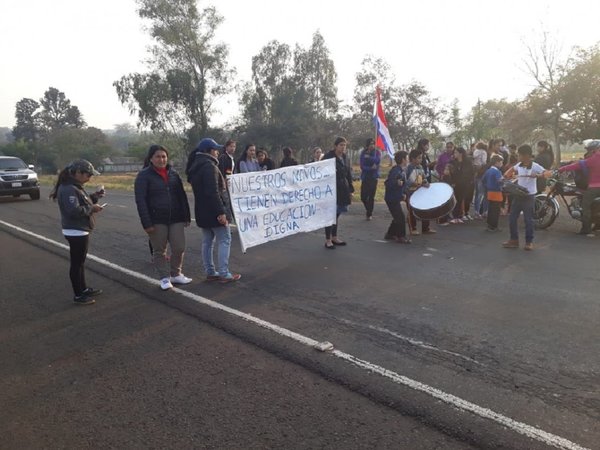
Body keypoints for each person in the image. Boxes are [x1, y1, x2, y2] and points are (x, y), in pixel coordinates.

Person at [134, 145, 192, 291]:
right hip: (156, 219)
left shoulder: (173, 174)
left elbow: (181, 196)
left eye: (164, 156)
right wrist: (147, 223)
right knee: (159, 250)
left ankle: (176, 274)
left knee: (179, 247)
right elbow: (141, 201)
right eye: (158, 157)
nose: (161, 159)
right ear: (151, 159)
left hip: (176, 218)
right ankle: (164, 278)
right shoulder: (144, 176)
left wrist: (186, 215)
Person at [49, 159, 105, 305]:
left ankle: (83, 289)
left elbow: (82, 202)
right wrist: (92, 209)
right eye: (88, 174)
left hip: (79, 230)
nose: (89, 178)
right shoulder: (68, 189)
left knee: (80, 262)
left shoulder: (75, 186)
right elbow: (74, 211)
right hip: (76, 230)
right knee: (76, 263)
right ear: (78, 173)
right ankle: (78, 294)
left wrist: (95, 197)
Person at [187, 138, 241, 283]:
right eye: (215, 149)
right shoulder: (209, 166)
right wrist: (221, 212)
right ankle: (224, 273)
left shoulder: (196, 166)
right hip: (214, 211)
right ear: (209, 151)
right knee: (225, 239)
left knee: (207, 242)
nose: (217, 152)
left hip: (202, 211)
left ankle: (210, 271)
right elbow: (212, 192)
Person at [502, 145, 547, 250]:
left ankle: (529, 242)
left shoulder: (535, 166)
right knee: (512, 218)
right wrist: (505, 176)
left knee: (528, 220)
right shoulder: (519, 165)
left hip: (529, 196)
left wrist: (538, 175)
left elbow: (548, 173)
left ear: (526, 156)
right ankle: (514, 240)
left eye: (519, 155)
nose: (518, 157)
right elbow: (511, 170)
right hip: (518, 195)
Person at [558, 139, 600, 237]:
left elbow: (576, 165)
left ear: (594, 149)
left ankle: (586, 229)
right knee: (595, 206)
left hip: (594, 187)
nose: (588, 151)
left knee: (586, 207)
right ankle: (597, 225)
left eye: (589, 149)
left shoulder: (593, 159)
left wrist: (561, 169)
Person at [323, 136, 354, 249]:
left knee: (337, 213)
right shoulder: (328, 157)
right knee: (330, 214)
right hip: (331, 188)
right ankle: (328, 239)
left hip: (343, 188)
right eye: (341, 145)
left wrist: (351, 189)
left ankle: (334, 237)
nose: (343, 147)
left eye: (344, 145)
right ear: (335, 146)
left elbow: (348, 174)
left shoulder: (345, 157)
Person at [406, 149, 436, 235]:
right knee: (412, 211)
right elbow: (409, 182)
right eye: (419, 158)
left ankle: (426, 228)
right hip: (411, 193)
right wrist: (420, 184)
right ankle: (413, 228)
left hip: (420, 192)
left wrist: (425, 182)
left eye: (421, 158)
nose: (421, 160)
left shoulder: (420, 167)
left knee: (425, 209)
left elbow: (423, 177)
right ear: (412, 159)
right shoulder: (409, 168)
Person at [384, 151, 410, 243]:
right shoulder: (395, 170)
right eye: (407, 158)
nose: (408, 160)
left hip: (395, 197)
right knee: (400, 217)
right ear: (403, 160)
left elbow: (403, 185)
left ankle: (390, 234)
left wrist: (403, 193)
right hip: (391, 198)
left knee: (397, 217)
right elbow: (388, 183)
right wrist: (396, 183)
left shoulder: (402, 170)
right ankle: (401, 236)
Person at [447, 147, 475, 223]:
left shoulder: (467, 162)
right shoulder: (452, 162)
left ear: (461, 153)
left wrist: (470, 181)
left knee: (463, 199)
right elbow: (451, 173)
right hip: (456, 183)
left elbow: (471, 172)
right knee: (456, 199)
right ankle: (455, 216)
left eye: (456, 152)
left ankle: (461, 215)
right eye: (454, 152)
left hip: (465, 183)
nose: (454, 154)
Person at [359, 138, 381, 220]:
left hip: (373, 177)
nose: (372, 145)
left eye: (373, 144)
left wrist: (369, 157)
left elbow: (377, 161)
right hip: (365, 177)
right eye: (370, 144)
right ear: (367, 145)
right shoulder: (363, 153)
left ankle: (369, 213)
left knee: (371, 196)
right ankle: (368, 209)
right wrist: (370, 168)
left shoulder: (377, 152)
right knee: (363, 197)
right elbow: (362, 166)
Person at [482, 154, 504, 232]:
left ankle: (489, 225)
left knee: (491, 209)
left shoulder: (488, 170)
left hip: (489, 192)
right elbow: (500, 181)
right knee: (496, 211)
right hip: (497, 193)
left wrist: (487, 186)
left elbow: (483, 179)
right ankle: (494, 226)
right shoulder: (497, 171)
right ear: (497, 162)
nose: (502, 164)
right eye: (501, 162)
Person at [472, 141, 488, 219]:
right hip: (482, 172)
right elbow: (484, 162)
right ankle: (484, 212)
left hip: (475, 172)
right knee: (482, 193)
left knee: (477, 193)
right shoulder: (484, 152)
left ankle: (476, 211)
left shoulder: (475, 151)